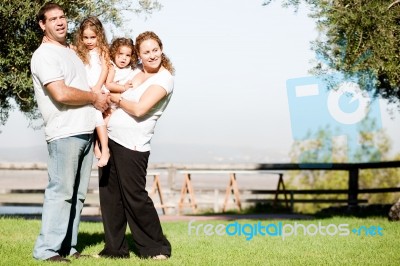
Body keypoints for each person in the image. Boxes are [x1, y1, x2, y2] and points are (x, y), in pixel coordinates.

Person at [31, 2, 109, 262]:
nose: (60, 22)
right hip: (65, 132)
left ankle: (68, 248)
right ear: (43, 25)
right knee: (61, 192)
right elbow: (61, 94)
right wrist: (94, 98)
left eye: (62, 17)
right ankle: (46, 251)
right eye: (53, 19)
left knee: (77, 196)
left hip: (85, 131)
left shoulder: (71, 52)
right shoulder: (44, 55)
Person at [98, 31, 174, 259]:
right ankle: (115, 250)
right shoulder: (138, 73)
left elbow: (140, 109)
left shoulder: (165, 79)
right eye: (146, 52)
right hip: (111, 139)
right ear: (138, 56)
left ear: (161, 49)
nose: (152, 55)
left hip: (133, 145)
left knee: (135, 197)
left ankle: (156, 247)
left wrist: (115, 99)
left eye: (155, 50)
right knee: (111, 198)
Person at [75, 16, 111, 167]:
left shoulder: (102, 50)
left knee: (97, 115)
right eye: (85, 37)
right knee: (92, 116)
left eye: (93, 37)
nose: (89, 41)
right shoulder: (80, 52)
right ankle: (96, 145)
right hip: (87, 89)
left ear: (99, 36)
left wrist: (97, 86)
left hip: (98, 87)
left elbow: (105, 69)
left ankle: (105, 149)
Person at [103, 37, 137, 122]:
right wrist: (124, 87)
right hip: (109, 102)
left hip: (120, 104)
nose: (124, 58)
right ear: (114, 53)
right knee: (105, 122)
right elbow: (109, 84)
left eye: (127, 55)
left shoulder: (130, 69)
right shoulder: (112, 67)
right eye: (120, 54)